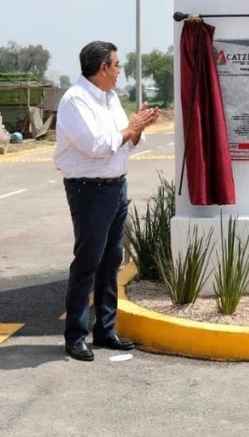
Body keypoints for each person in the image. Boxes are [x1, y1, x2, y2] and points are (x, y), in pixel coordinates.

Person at [55, 40, 159, 362]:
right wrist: (130, 129)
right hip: (89, 190)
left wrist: (137, 127)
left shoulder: (111, 98)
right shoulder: (75, 101)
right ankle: (76, 335)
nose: (119, 71)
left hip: (116, 188)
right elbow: (97, 145)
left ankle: (105, 329)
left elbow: (125, 143)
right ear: (102, 68)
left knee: (112, 260)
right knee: (88, 262)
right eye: (116, 65)